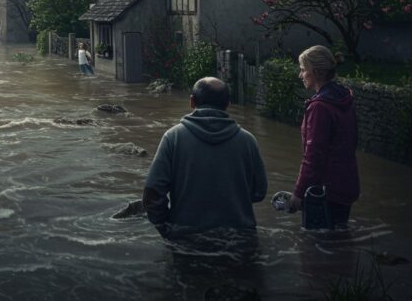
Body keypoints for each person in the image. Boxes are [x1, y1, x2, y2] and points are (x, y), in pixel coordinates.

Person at [143, 77, 267, 238]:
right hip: (239, 238)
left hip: (187, 239)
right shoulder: (248, 140)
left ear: (192, 102)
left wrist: (168, 228)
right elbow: (259, 192)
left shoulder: (173, 138)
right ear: (228, 104)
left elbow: (152, 195)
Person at [288, 45, 359, 228]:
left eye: (303, 70)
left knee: (316, 246)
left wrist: (298, 193)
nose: (300, 75)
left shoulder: (320, 107)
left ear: (316, 72)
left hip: (325, 191)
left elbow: (313, 156)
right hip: (346, 185)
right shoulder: (344, 99)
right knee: (338, 241)